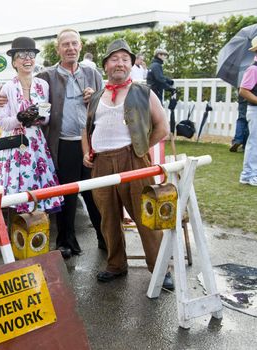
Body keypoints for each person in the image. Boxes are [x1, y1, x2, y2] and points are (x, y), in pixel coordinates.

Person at [0, 29, 106, 259]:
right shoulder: (47, 76)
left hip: (90, 142)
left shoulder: (91, 73)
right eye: (65, 44)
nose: (70, 48)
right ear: (58, 49)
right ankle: (60, 242)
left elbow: (104, 98)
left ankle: (105, 238)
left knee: (96, 194)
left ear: (80, 46)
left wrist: (94, 95)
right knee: (65, 195)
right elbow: (8, 114)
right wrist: (6, 104)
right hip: (60, 143)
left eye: (74, 43)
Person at [82, 39, 173, 289]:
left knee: (145, 217)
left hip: (134, 161)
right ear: (105, 65)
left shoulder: (143, 92)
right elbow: (86, 129)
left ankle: (160, 267)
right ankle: (116, 264)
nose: (119, 63)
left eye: (125, 59)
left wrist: (140, 148)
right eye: (114, 59)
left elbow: (162, 127)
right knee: (108, 219)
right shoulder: (97, 96)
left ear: (132, 65)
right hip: (101, 163)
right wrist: (86, 152)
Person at [0, 37, 62, 214]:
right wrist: (20, 118)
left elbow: (47, 116)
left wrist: (41, 118)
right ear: (14, 62)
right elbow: (4, 123)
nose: (27, 59)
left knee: (37, 192)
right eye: (21, 55)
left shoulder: (43, 85)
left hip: (36, 143)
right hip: (14, 145)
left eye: (31, 54)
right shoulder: (7, 88)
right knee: (14, 194)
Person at [238, 36, 257, 186]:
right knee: (254, 143)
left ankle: (250, 174)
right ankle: (249, 175)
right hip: (255, 110)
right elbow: (243, 91)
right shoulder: (253, 69)